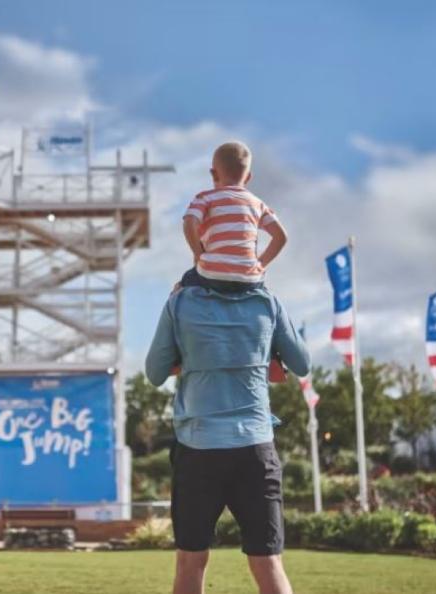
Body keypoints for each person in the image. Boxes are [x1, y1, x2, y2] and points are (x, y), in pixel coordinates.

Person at [145, 283, 310, 594]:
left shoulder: (179, 304)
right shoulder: (267, 302)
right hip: (255, 449)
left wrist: (193, 359)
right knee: (269, 564)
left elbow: (154, 373)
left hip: (198, 449)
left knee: (190, 562)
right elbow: (302, 364)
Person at [180, 141, 287, 293]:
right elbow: (281, 237)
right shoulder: (258, 204)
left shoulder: (205, 198)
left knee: (181, 286)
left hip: (212, 275)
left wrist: (198, 255)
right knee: (267, 296)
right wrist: (260, 264)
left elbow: (189, 222)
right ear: (248, 177)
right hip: (249, 279)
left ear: (214, 174)